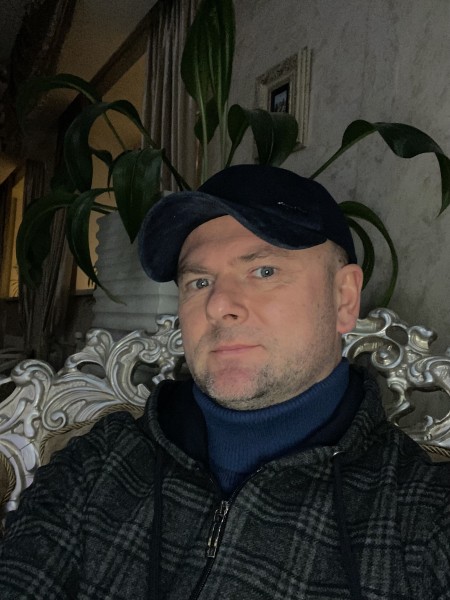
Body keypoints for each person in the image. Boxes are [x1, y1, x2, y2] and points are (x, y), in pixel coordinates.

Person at [0, 165, 449, 600]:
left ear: (343, 297)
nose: (218, 306)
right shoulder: (100, 461)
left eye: (264, 271)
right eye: (199, 281)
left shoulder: (423, 516)